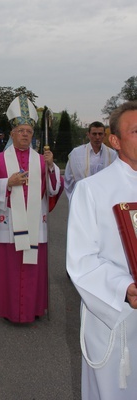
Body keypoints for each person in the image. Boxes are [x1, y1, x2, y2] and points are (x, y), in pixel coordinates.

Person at [66, 101, 137, 399]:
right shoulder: (92, 190)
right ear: (116, 141)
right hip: (117, 316)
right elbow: (81, 262)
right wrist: (124, 288)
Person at [0, 95, 62, 323]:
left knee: (32, 268)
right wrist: (8, 183)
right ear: (12, 133)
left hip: (35, 224)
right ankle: (8, 309)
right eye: (21, 130)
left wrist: (51, 167)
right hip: (9, 225)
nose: (25, 134)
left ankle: (33, 309)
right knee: (11, 269)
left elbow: (54, 191)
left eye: (28, 130)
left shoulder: (40, 160)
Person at [64, 121, 117, 199]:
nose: (97, 137)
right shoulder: (76, 153)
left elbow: (115, 178)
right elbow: (69, 178)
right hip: (83, 196)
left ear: (105, 135)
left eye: (100, 134)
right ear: (88, 135)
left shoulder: (112, 155)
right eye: (94, 134)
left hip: (105, 197)